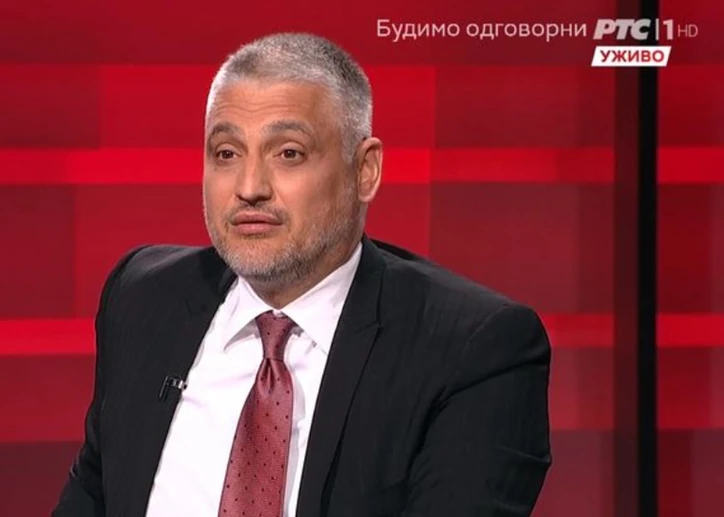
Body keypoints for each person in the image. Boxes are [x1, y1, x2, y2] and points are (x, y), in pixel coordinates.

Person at [51, 32, 552, 517]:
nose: (250, 187)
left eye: (288, 153)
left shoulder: (473, 352)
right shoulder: (143, 297)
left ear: (365, 170)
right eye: (226, 154)